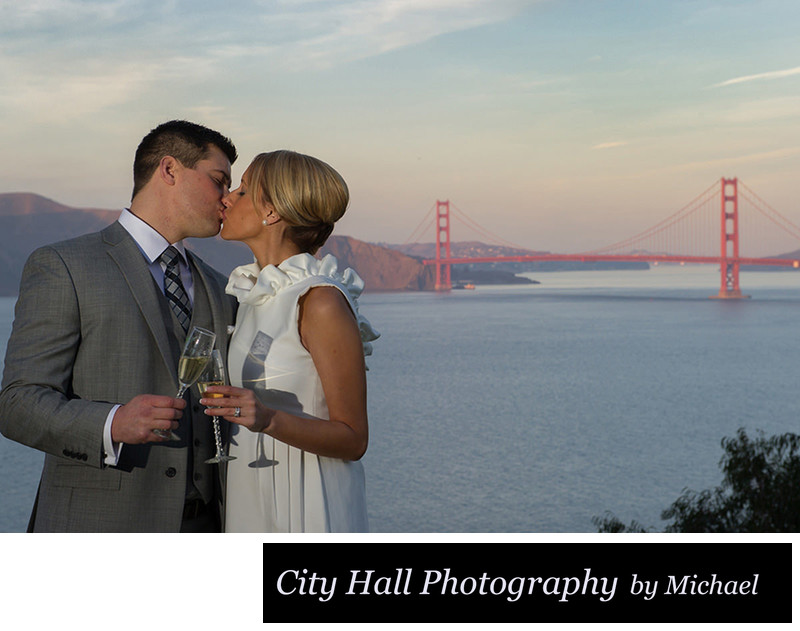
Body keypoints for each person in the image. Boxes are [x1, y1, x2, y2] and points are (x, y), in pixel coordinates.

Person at [0, 120, 238, 532]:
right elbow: (16, 404)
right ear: (169, 170)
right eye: (219, 181)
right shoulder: (65, 266)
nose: (228, 199)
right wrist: (112, 423)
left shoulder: (222, 287)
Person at [200, 150, 379, 532]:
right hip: (251, 490)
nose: (227, 197)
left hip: (308, 500)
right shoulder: (255, 295)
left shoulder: (320, 301)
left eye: (244, 190)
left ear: (273, 212)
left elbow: (354, 438)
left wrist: (268, 418)